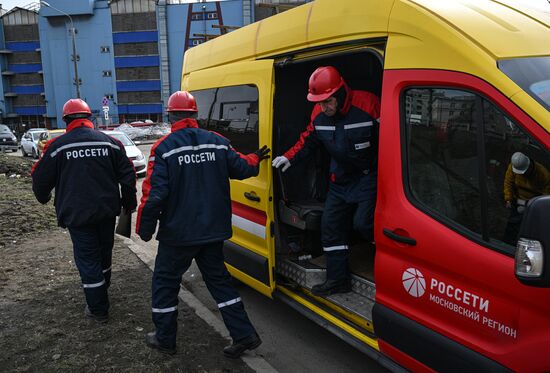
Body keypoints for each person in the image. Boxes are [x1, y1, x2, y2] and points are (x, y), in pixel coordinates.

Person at [136, 91, 270, 357]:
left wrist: (145, 228)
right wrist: (257, 157)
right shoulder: (218, 142)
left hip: (179, 235)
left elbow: (154, 195)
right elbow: (243, 167)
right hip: (212, 232)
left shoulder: (163, 147)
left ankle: (165, 338)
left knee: (165, 283)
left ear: (171, 115)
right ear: (195, 115)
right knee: (220, 282)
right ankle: (244, 335)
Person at [272, 66, 380, 296]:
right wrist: (288, 158)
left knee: (363, 224)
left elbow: (392, 139)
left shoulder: (368, 104)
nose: (324, 107)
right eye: (319, 103)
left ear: (340, 93)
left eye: (328, 101)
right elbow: (308, 141)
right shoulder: (318, 114)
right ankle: (337, 280)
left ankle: (385, 270)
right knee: (330, 228)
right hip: (339, 182)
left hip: (368, 178)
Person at [31, 98, 137, 322]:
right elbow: (128, 174)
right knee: (104, 253)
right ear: (89, 118)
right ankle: (101, 290)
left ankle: (98, 309)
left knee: (88, 260)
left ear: (66, 119)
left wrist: (44, 198)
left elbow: (40, 178)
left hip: (77, 214)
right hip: (107, 211)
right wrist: (129, 202)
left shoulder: (58, 146)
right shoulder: (109, 143)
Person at [503, 151, 550, 244]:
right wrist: (508, 199)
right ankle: (508, 243)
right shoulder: (513, 168)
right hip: (518, 200)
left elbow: (546, 194)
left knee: (531, 227)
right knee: (513, 225)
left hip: (534, 203)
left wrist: (537, 207)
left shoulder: (543, 174)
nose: (522, 175)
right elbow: (508, 183)